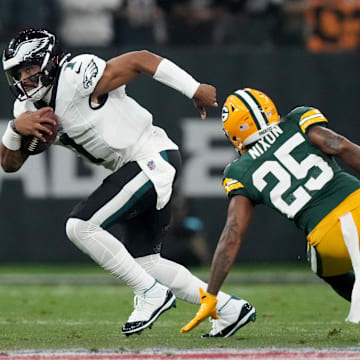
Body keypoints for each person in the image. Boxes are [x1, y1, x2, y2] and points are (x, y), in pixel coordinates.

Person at [0, 28, 256, 337]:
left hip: (152, 157)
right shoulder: (26, 110)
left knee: (80, 226)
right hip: (139, 167)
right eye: (18, 72)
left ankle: (151, 295)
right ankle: (228, 309)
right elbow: (10, 164)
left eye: (29, 68)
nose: (24, 78)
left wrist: (193, 88)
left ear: (50, 61)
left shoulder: (76, 76)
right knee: (146, 263)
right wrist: (15, 129)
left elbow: (140, 60)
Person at [181, 88, 360, 334]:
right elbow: (341, 146)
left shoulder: (239, 171)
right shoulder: (298, 119)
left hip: (328, 238)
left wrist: (211, 294)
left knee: (320, 263)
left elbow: (232, 234)